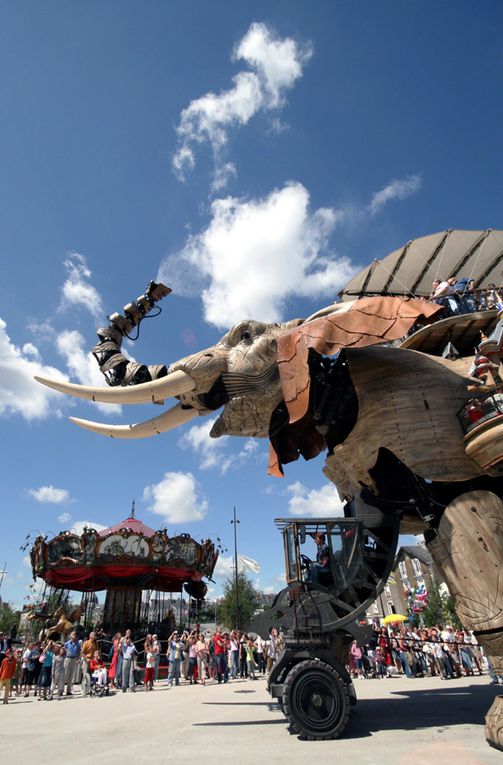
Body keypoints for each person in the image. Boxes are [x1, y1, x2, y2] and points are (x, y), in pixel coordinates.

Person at [64, 630, 81, 696]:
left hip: (74, 659)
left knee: (71, 675)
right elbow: (63, 650)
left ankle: (68, 690)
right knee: (65, 674)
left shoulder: (77, 644)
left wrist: (78, 659)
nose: (74, 635)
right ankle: (61, 689)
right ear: (70, 635)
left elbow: (79, 652)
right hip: (68, 659)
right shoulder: (67, 643)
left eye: (75, 634)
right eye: (73, 634)